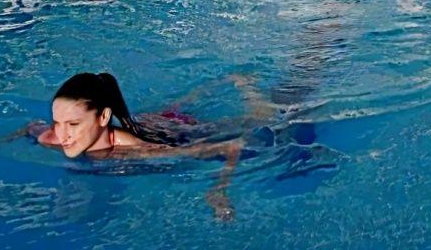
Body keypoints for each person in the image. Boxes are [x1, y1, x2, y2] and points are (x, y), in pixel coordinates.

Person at [34, 72, 267, 220]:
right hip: (145, 122)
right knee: (172, 108)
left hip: (177, 133)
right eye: (57, 122)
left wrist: (218, 190)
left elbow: (230, 146)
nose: (62, 135)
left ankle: (246, 86)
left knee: (258, 120)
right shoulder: (52, 137)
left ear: (103, 118)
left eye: (73, 124)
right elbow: (31, 127)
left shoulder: (139, 151)